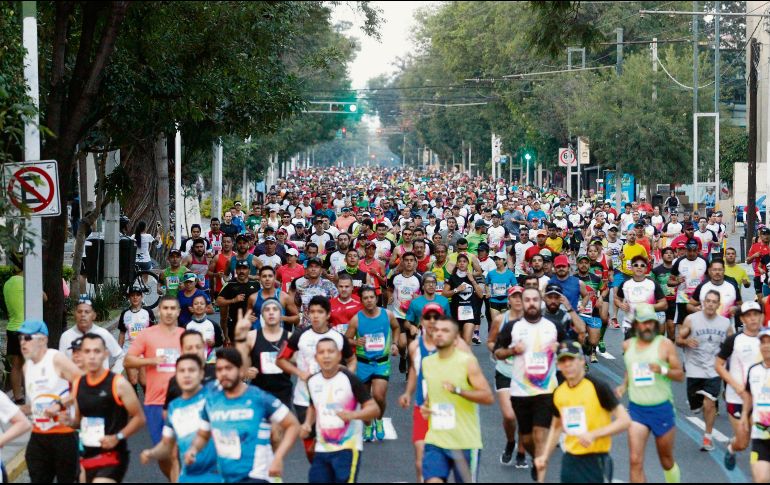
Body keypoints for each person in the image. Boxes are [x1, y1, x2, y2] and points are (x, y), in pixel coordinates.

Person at [183, 348, 300, 483]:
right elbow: (203, 435)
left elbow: (293, 425)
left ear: (240, 370)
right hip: (227, 476)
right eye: (219, 369)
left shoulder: (259, 397)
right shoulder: (211, 400)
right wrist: (193, 449)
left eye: (228, 368)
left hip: (257, 475)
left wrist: (278, 457)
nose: (224, 373)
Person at [534, 340, 631, 483]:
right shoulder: (559, 393)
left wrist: (593, 434)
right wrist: (545, 456)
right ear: (558, 365)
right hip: (570, 460)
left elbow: (624, 421)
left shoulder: (598, 387)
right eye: (563, 361)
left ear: (581, 361)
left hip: (596, 459)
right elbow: (556, 427)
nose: (568, 365)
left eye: (571, 360)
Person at [494, 288, 566, 478]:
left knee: (539, 435)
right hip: (520, 391)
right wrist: (512, 351)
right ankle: (536, 457)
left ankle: (540, 468)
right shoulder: (513, 327)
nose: (532, 303)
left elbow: (569, 348)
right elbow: (497, 352)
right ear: (523, 303)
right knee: (526, 438)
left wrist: (560, 348)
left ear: (540, 301)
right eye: (528, 300)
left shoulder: (553, 326)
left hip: (546, 390)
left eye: (535, 299)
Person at [276, 296, 356, 462]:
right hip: (303, 398)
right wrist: (299, 373)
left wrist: (347, 377)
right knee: (311, 446)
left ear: (328, 315)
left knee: (329, 442)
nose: (315, 316)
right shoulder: (299, 336)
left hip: (331, 398)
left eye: (320, 312)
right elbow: (280, 359)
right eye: (312, 312)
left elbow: (351, 360)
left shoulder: (338, 338)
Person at [420, 316, 494, 483]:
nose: (439, 334)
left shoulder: (467, 362)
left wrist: (458, 391)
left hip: (465, 443)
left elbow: (488, 397)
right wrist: (426, 407)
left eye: (445, 331)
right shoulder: (427, 363)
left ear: (455, 338)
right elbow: (432, 395)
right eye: (436, 330)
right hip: (436, 440)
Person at [617, 304, 684, 483]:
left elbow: (680, 375)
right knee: (635, 460)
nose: (647, 327)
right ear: (636, 325)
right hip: (637, 410)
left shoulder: (665, 345)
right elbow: (631, 368)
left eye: (650, 323)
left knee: (666, 460)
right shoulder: (627, 345)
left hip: (661, 408)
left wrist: (661, 369)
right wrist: (624, 385)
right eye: (643, 323)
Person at [300, 338, 380, 483]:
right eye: (321, 352)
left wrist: (353, 415)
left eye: (330, 351)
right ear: (316, 358)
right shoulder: (312, 381)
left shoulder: (350, 379)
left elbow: (374, 409)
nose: (326, 356)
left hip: (347, 448)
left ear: (338, 355)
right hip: (322, 449)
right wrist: (307, 423)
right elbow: (313, 406)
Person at [70, 333, 146, 483]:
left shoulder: (118, 384)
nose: (92, 356)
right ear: (81, 355)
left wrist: (117, 437)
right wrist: (66, 420)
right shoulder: (78, 384)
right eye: (87, 351)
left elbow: (139, 418)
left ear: (105, 354)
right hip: (87, 454)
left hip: (113, 455)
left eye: (96, 351)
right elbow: (78, 421)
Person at [124, 295, 184, 478]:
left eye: (173, 308)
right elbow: (128, 360)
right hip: (155, 401)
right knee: (164, 454)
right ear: (159, 311)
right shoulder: (147, 335)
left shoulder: (185, 335)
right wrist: (151, 360)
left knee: (176, 452)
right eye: (165, 308)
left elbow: (199, 362)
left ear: (178, 312)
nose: (168, 312)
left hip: (181, 401)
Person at [21, 319, 83, 483]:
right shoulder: (26, 367)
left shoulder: (56, 358)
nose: (22, 342)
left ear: (42, 340)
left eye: (27, 338)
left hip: (63, 435)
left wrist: (61, 404)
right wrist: (17, 410)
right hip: (38, 436)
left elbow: (85, 384)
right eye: (20, 338)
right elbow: (36, 404)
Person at [141, 353, 220, 482]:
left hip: (218, 475)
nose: (187, 375)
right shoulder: (174, 407)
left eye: (191, 370)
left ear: (201, 374)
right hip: (188, 476)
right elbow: (166, 444)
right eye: (182, 371)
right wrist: (151, 453)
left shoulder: (214, 399)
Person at [677, 290, 732, 452]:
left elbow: (732, 344)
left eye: (714, 302)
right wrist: (686, 341)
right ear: (703, 302)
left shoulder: (725, 323)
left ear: (718, 305)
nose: (710, 304)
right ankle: (695, 402)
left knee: (709, 402)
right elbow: (678, 339)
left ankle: (707, 437)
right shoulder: (691, 320)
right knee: (696, 407)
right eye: (708, 301)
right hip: (694, 368)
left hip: (714, 369)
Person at [345, 286, 400, 441]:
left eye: (371, 297)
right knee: (365, 399)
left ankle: (379, 419)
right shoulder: (356, 319)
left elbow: (396, 327)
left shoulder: (387, 314)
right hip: (363, 363)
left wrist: (395, 343)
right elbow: (346, 339)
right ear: (361, 301)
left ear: (376, 298)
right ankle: (368, 426)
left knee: (378, 395)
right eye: (365, 298)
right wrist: (355, 341)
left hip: (381, 363)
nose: (369, 301)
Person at [716, 301, 762, 470]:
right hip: (737, 397)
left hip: (760, 398)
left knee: (761, 438)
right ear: (742, 318)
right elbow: (718, 365)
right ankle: (732, 447)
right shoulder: (734, 340)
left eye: (756, 314)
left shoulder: (766, 339)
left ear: (761, 316)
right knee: (743, 442)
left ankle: (760, 471)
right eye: (748, 315)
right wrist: (735, 385)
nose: (753, 319)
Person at [488, 287, 528, 468]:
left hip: (527, 375)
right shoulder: (500, 319)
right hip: (505, 371)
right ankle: (510, 441)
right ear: (509, 300)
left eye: (521, 296)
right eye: (514, 297)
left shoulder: (532, 320)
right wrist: (498, 351)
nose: (518, 300)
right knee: (510, 415)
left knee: (524, 416)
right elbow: (490, 341)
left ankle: (521, 453)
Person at [234, 301, 293, 409]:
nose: (271, 312)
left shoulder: (290, 338)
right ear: (262, 315)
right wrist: (240, 338)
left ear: (281, 314)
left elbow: (299, 364)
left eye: (275, 309)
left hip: (283, 393)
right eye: (267, 310)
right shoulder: (251, 337)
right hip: (259, 392)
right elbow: (241, 367)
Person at [60, 297, 124, 373]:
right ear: (74, 315)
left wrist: (113, 375)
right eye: (79, 311)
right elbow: (61, 364)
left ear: (94, 315)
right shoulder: (66, 336)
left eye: (87, 312)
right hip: (76, 382)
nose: (83, 315)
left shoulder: (103, 334)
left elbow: (121, 356)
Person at [616, 255, 667, 339]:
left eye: (642, 265)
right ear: (631, 268)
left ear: (646, 269)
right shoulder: (625, 284)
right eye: (636, 265)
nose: (639, 267)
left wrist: (648, 307)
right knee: (630, 350)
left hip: (648, 325)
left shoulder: (652, 284)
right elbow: (617, 299)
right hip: (630, 324)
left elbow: (664, 304)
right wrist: (621, 304)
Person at [387, 252, 423, 369]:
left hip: (413, 317)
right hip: (398, 315)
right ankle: (403, 356)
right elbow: (389, 289)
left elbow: (426, 296)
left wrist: (420, 299)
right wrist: (389, 296)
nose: (408, 262)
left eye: (411, 260)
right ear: (402, 262)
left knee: (411, 344)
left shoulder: (419, 278)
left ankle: (409, 371)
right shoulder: (395, 277)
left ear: (415, 263)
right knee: (402, 344)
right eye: (406, 260)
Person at [216, 260, 260, 344]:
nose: (242, 271)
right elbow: (218, 301)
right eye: (239, 269)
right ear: (236, 270)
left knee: (252, 351)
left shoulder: (255, 284)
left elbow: (263, 300)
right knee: (235, 352)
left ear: (249, 271)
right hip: (235, 324)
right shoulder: (230, 284)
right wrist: (233, 300)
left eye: (244, 269)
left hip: (252, 323)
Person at [443, 253, 483, 345]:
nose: (462, 263)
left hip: (470, 313)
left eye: (464, 261)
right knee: (459, 343)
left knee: (467, 340)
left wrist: (472, 280)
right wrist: (457, 290)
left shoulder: (471, 278)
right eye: (460, 261)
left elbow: (481, 295)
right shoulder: (452, 278)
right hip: (456, 313)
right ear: (457, 264)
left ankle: (467, 359)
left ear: (468, 264)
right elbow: (444, 294)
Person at [670, 239, 708, 334]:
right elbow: (669, 282)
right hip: (683, 297)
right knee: (683, 328)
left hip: (699, 299)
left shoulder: (704, 261)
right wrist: (677, 282)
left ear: (698, 250)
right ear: (686, 250)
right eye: (689, 250)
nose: (692, 253)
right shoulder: (679, 261)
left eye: (694, 250)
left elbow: (710, 279)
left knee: (699, 327)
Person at [2, 256, 26, 402]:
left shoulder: (7, 283)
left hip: (12, 328)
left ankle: (17, 397)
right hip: (25, 329)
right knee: (29, 364)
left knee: (16, 365)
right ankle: (31, 394)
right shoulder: (25, 282)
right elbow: (44, 298)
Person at [290, 257, 339, 328]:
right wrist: (299, 322)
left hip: (324, 328)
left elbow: (337, 305)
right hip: (306, 328)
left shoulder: (329, 285)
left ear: (321, 270)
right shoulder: (300, 286)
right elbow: (297, 305)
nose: (313, 269)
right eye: (311, 266)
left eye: (316, 267)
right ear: (306, 270)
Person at [247, 265, 298, 330]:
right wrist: (248, 318)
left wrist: (282, 318)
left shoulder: (284, 297)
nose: (267, 279)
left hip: (279, 337)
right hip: (259, 337)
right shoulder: (253, 298)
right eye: (264, 276)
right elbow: (247, 317)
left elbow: (297, 318)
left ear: (274, 278)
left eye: (270, 276)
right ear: (259, 278)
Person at [747, 227, 770, 299]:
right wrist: (754, 255)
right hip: (758, 275)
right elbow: (748, 261)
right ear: (760, 236)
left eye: (768, 234)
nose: (766, 236)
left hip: (769, 275)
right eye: (764, 234)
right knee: (760, 297)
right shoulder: (755, 246)